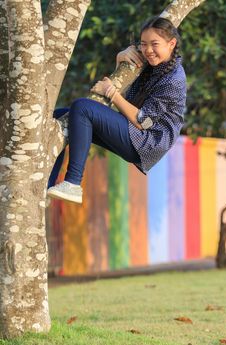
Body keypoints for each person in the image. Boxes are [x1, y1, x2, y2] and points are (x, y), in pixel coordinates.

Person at [47, 16, 187, 204]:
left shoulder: (174, 79)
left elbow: (143, 121)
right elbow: (127, 94)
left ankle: (72, 183)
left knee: (82, 107)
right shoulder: (153, 65)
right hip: (133, 130)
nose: (148, 50)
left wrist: (111, 92)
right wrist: (120, 59)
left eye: (154, 44)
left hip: (145, 142)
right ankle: (47, 185)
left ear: (171, 44)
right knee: (60, 116)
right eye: (143, 44)